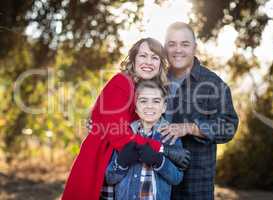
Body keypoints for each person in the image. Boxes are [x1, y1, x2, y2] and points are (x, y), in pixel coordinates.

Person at [62, 38, 190, 200]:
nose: (148, 62)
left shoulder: (146, 90)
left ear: (160, 64)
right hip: (101, 160)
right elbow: (119, 136)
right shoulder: (121, 82)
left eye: (154, 57)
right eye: (143, 56)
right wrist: (164, 150)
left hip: (127, 162)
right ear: (134, 59)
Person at [158, 22, 239, 199]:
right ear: (165, 48)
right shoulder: (156, 80)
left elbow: (229, 127)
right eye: (172, 44)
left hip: (194, 185)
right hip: (157, 179)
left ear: (195, 47)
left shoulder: (214, 84)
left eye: (184, 44)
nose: (177, 50)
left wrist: (190, 128)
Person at [105, 80, 184, 200]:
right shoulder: (124, 134)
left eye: (156, 101)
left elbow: (177, 178)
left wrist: (159, 161)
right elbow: (110, 178)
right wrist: (121, 163)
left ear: (164, 107)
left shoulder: (170, 136)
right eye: (143, 101)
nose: (149, 106)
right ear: (135, 107)